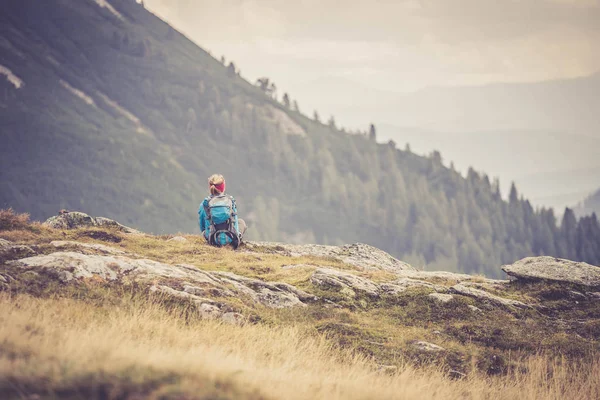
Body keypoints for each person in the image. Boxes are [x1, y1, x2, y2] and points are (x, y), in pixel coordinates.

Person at [198, 174, 247, 248]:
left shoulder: (205, 203)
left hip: (212, 240)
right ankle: (237, 238)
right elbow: (235, 221)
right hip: (231, 239)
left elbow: (202, 225)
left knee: (204, 231)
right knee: (241, 222)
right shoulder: (230, 201)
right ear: (223, 187)